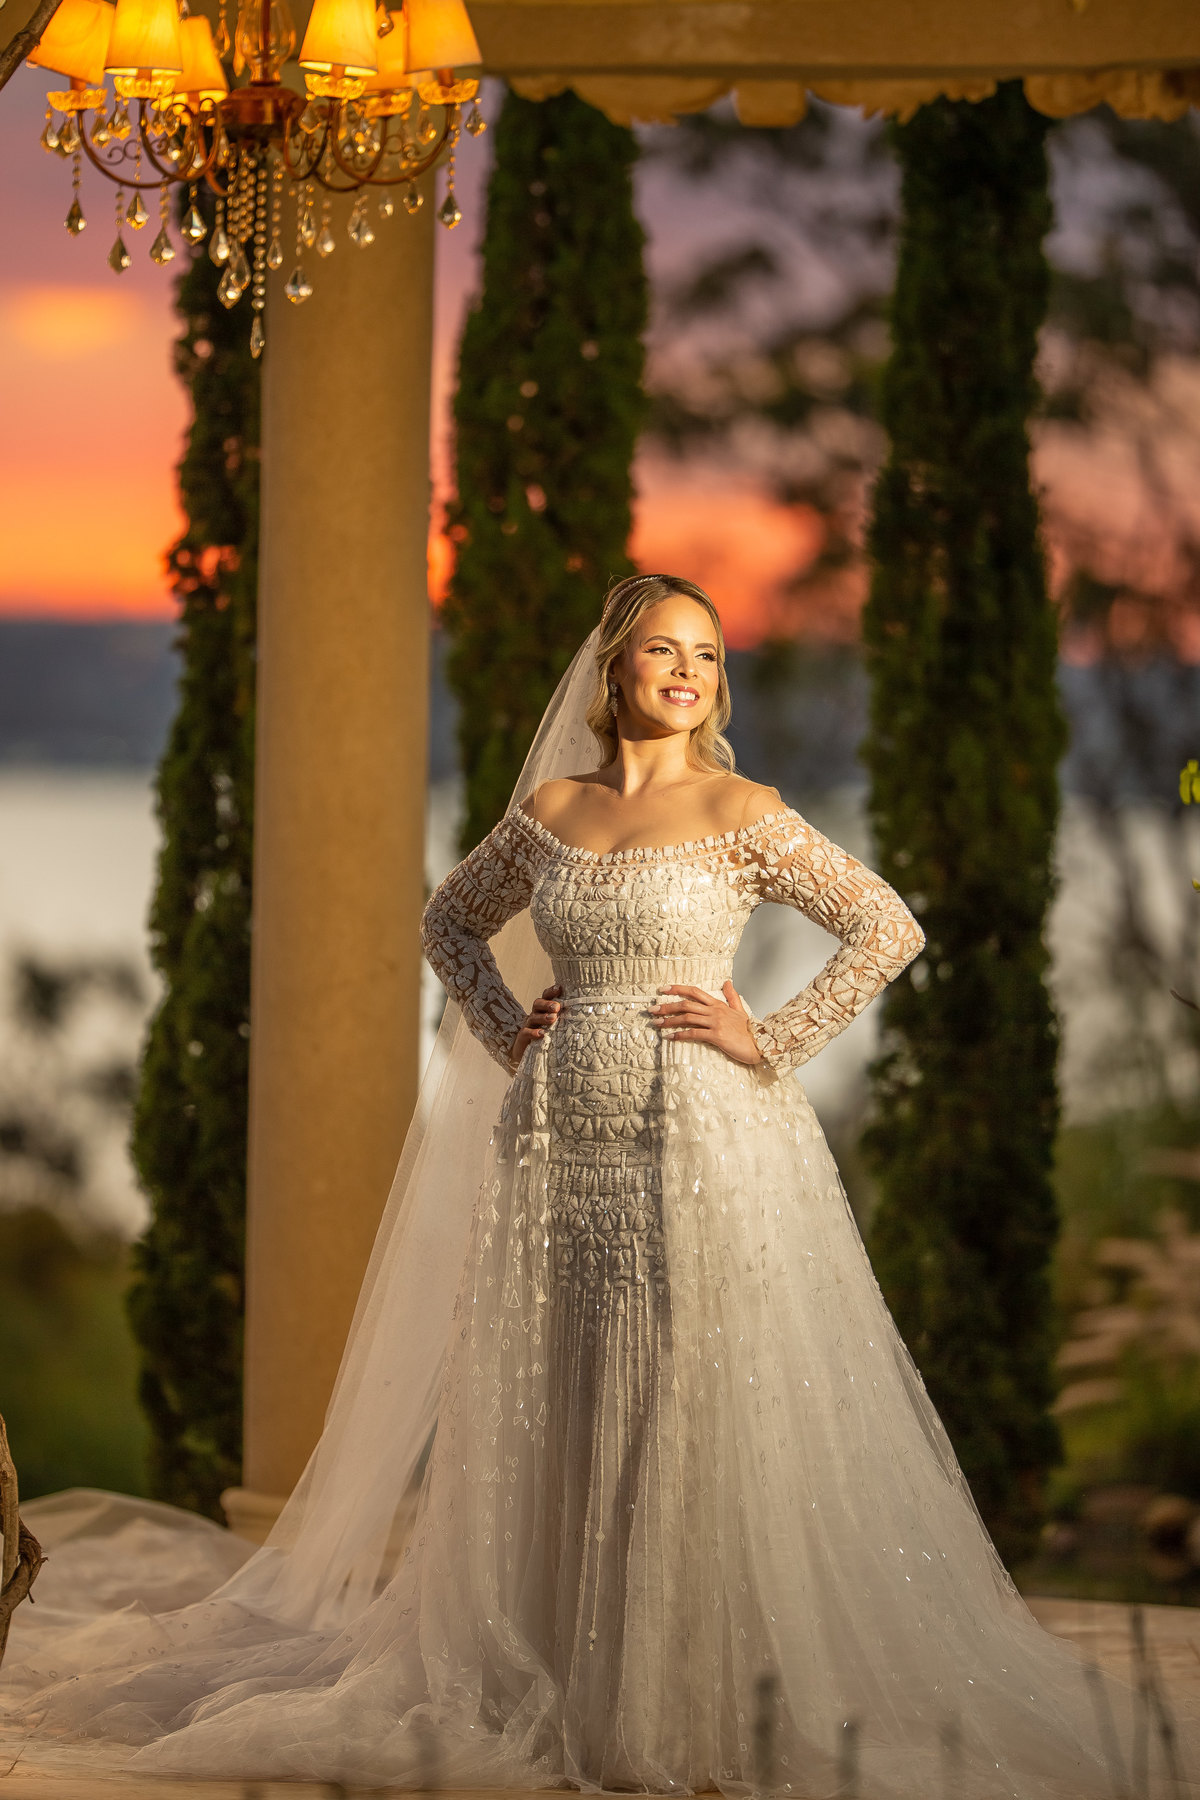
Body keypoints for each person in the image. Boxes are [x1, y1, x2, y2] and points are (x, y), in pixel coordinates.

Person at [0, 575, 1194, 1798]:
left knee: (689, 1387)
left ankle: (685, 1684)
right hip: (556, 1139)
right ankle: (560, 1662)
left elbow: (886, 926)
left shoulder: (743, 808)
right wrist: (512, 1028)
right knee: (555, 1386)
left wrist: (770, 1038)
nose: (690, 670)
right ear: (612, 666)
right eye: (665, 649)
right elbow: (450, 920)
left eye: (710, 655)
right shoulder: (555, 810)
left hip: (705, 1141)